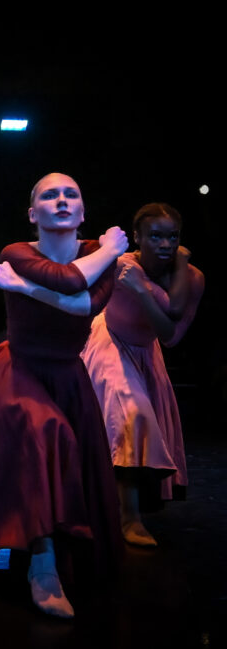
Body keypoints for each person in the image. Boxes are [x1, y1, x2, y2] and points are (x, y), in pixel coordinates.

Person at [0, 173, 128, 619]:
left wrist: (23, 289)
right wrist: (111, 249)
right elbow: (67, 282)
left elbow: (84, 306)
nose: (61, 200)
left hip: (66, 372)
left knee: (64, 454)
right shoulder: (17, 253)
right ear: (32, 213)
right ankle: (43, 568)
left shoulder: (98, 257)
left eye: (71, 194)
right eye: (49, 195)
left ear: (82, 211)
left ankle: (56, 553)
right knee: (47, 433)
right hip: (17, 368)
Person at [81, 203, 204, 547]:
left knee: (132, 427)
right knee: (130, 417)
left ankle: (114, 506)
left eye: (172, 237)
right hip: (108, 342)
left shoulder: (192, 278)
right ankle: (128, 518)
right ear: (137, 237)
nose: (164, 244)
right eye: (155, 237)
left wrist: (142, 288)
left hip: (147, 350)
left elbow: (171, 335)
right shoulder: (121, 265)